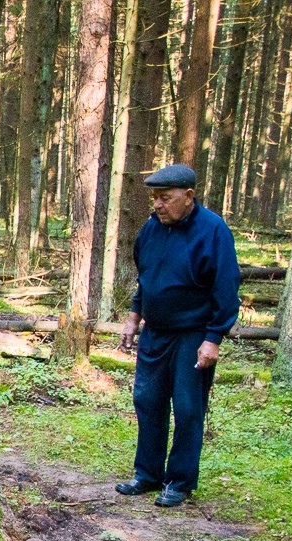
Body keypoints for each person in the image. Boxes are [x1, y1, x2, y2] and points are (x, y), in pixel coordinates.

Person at [115, 164, 241, 507]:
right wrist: (133, 318)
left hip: (193, 334)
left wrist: (213, 338)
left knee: (187, 408)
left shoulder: (213, 231)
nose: (157, 205)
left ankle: (180, 482)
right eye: (154, 198)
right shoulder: (152, 229)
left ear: (189, 196)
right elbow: (146, 278)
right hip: (155, 333)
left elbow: (227, 289)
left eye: (165, 198)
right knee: (148, 401)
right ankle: (148, 474)